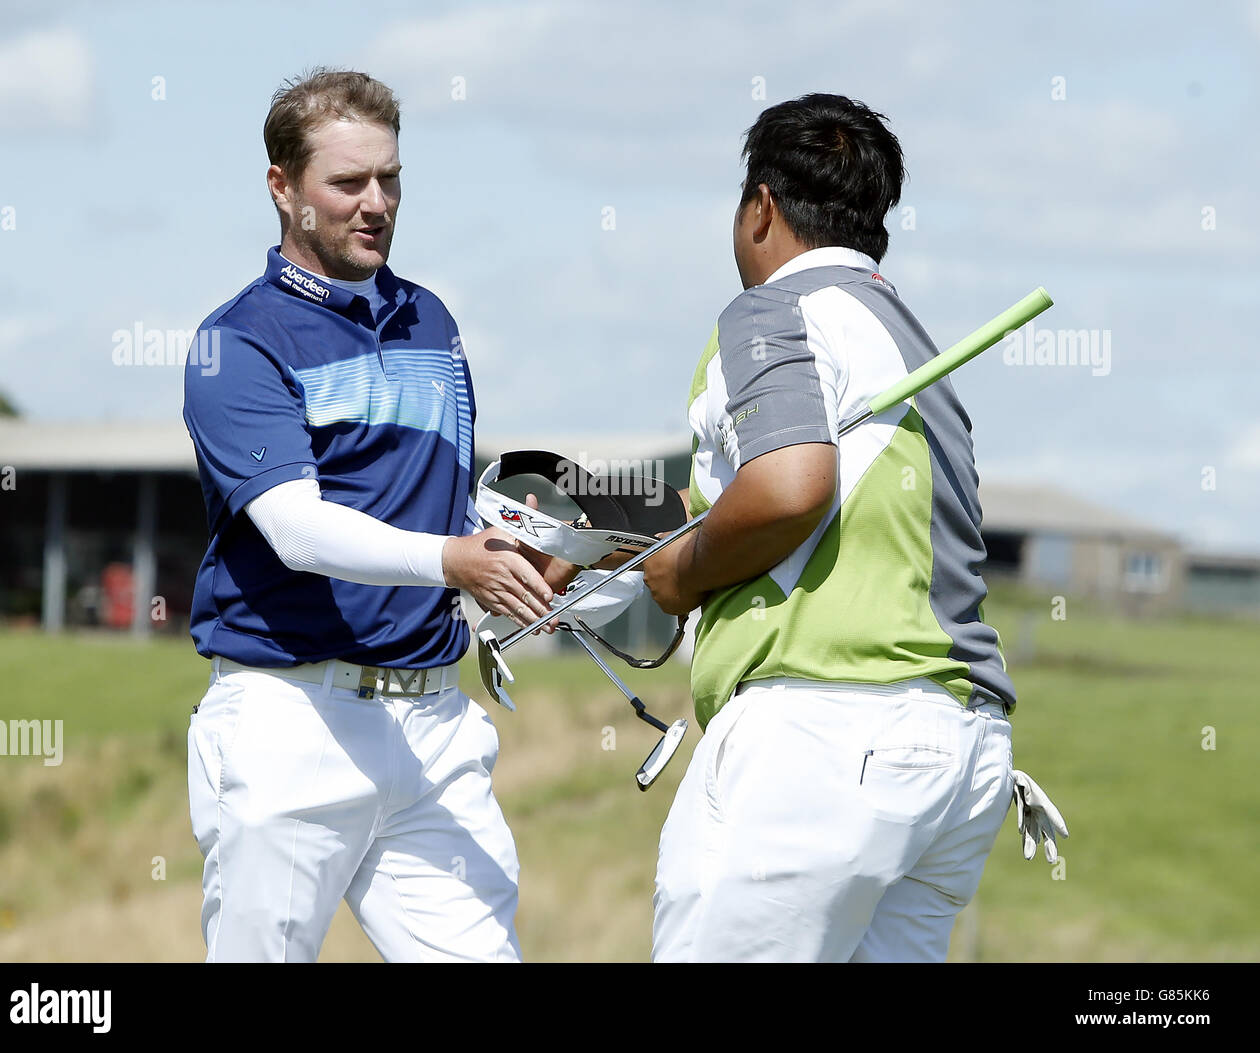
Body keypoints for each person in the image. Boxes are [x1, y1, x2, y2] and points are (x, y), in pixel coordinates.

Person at [182, 69, 556, 962]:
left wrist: (530, 548)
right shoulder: (232, 343)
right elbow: (297, 528)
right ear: (283, 187)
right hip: (288, 723)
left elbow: (437, 503)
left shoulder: (434, 320)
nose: (377, 203)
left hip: (434, 731)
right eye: (348, 183)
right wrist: (455, 561)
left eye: (390, 179)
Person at [642, 93, 1023, 962]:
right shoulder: (912, 342)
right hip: (963, 757)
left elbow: (788, 487)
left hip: (825, 740)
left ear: (762, 206)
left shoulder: (773, 309)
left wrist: (683, 574)